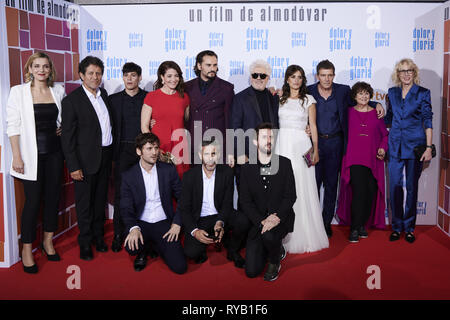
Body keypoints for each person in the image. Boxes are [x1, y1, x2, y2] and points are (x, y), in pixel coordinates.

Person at [307, 60, 384, 237]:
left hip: (336, 144)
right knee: (313, 185)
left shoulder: (342, 91)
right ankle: (313, 223)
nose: (326, 79)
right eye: (323, 75)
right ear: (317, 76)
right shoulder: (309, 90)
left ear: (333, 76)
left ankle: (326, 222)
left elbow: (361, 100)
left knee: (332, 185)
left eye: (330, 75)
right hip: (314, 144)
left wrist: (375, 104)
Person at [6, 52, 65, 273]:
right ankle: (27, 249)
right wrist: (17, 157)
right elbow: (12, 126)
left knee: (52, 200)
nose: (41, 70)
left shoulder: (57, 90)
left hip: (55, 154)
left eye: (45, 67)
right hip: (30, 157)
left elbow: (64, 118)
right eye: (37, 66)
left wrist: (63, 127)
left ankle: (48, 241)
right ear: (29, 69)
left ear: (50, 70)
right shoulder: (18, 92)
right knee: (32, 204)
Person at [61, 56, 114, 261]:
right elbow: (67, 137)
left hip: (105, 157)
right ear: (81, 75)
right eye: (90, 73)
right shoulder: (72, 101)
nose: (95, 77)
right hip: (83, 161)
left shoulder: (104, 95)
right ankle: (85, 243)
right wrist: (73, 166)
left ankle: (98, 237)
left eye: (98, 73)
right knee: (84, 204)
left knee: (100, 201)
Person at [275, 65, 329, 253]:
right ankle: (282, 232)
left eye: (299, 77)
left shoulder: (309, 100)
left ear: (303, 79)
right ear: (287, 79)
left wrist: (315, 149)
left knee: (303, 186)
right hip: (282, 146)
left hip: (302, 146)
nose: (296, 80)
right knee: (283, 186)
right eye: (292, 76)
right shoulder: (279, 98)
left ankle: (305, 233)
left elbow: (313, 126)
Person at [121, 133, 187, 274]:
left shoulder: (168, 170)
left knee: (180, 267)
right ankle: (143, 251)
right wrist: (133, 228)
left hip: (163, 222)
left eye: (156, 148)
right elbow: (126, 207)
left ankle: (156, 245)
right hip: (141, 222)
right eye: (149, 148)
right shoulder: (129, 176)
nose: (154, 152)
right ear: (139, 151)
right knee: (132, 247)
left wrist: (177, 223)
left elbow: (183, 198)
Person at [240, 123, 296, 282]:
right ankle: (273, 248)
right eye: (264, 137)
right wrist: (261, 221)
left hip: (280, 219)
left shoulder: (284, 164)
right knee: (251, 271)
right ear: (255, 142)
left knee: (270, 236)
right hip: (258, 221)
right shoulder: (247, 168)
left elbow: (290, 196)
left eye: (271, 136)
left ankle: (274, 260)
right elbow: (245, 201)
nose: (269, 140)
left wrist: (276, 217)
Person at [385, 58, 433, 243]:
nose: (406, 74)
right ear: (398, 74)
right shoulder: (392, 93)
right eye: (402, 71)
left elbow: (428, 121)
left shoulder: (423, 93)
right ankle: (397, 227)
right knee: (395, 187)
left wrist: (428, 147)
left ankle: (410, 227)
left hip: (415, 147)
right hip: (395, 145)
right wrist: (375, 106)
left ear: (414, 73)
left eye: (409, 70)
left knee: (412, 188)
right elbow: (388, 117)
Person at [336, 82, 388, 243]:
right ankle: (354, 228)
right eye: (360, 94)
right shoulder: (348, 113)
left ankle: (361, 225)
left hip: (373, 160)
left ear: (370, 95)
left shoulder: (377, 114)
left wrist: (382, 148)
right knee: (358, 193)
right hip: (354, 160)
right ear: (354, 96)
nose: (364, 96)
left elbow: (385, 136)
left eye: (366, 93)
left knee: (370, 193)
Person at [109, 62, 148, 252]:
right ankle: (119, 233)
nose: (130, 79)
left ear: (140, 77)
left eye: (133, 75)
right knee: (120, 195)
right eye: (126, 75)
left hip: (144, 153)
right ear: (123, 77)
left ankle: (144, 232)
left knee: (146, 192)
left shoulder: (149, 98)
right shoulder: (113, 99)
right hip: (122, 151)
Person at [178, 138, 235, 265]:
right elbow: (185, 209)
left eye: (213, 154)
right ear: (200, 155)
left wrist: (220, 222)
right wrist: (195, 231)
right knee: (191, 252)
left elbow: (227, 203)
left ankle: (231, 245)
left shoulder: (227, 173)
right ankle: (207, 243)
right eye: (206, 154)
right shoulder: (189, 176)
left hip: (219, 216)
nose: (210, 158)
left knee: (242, 221)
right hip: (200, 219)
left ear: (218, 155)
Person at [141, 61, 190, 178]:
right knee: (161, 182)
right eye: (169, 76)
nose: (173, 79)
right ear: (162, 77)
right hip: (159, 147)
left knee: (180, 182)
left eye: (176, 76)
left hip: (180, 147)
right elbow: (144, 126)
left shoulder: (184, 97)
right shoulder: (151, 97)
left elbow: (186, 121)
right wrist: (155, 149)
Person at [185, 50, 235, 165]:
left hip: (217, 147)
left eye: (215, 65)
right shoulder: (187, 87)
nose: (212, 68)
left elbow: (229, 121)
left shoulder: (226, 88)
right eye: (208, 65)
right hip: (194, 147)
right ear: (199, 66)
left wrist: (230, 150)